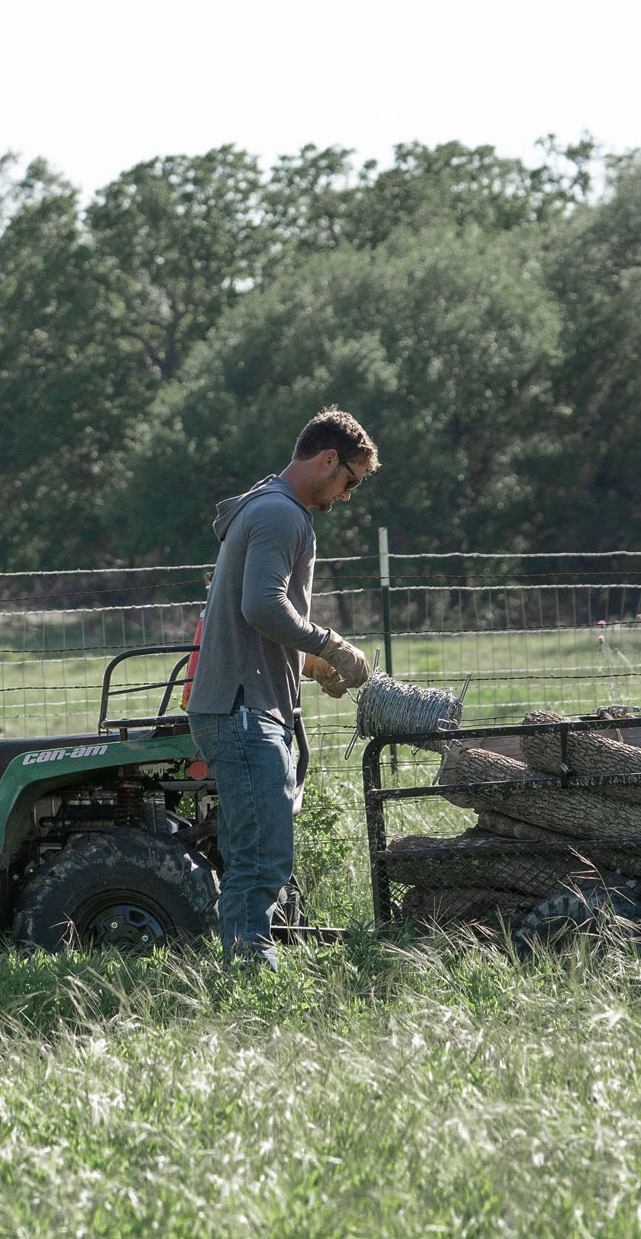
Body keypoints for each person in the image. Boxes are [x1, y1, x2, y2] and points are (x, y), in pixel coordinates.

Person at [190, 406, 378, 962]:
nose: (347, 495)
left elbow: (255, 623)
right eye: (349, 481)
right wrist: (329, 644)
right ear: (327, 459)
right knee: (260, 859)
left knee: (257, 855)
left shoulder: (265, 506)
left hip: (241, 704)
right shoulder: (281, 514)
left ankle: (245, 970)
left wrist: (305, 664)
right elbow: (261, 606)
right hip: (244, 711)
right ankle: (249, 983)